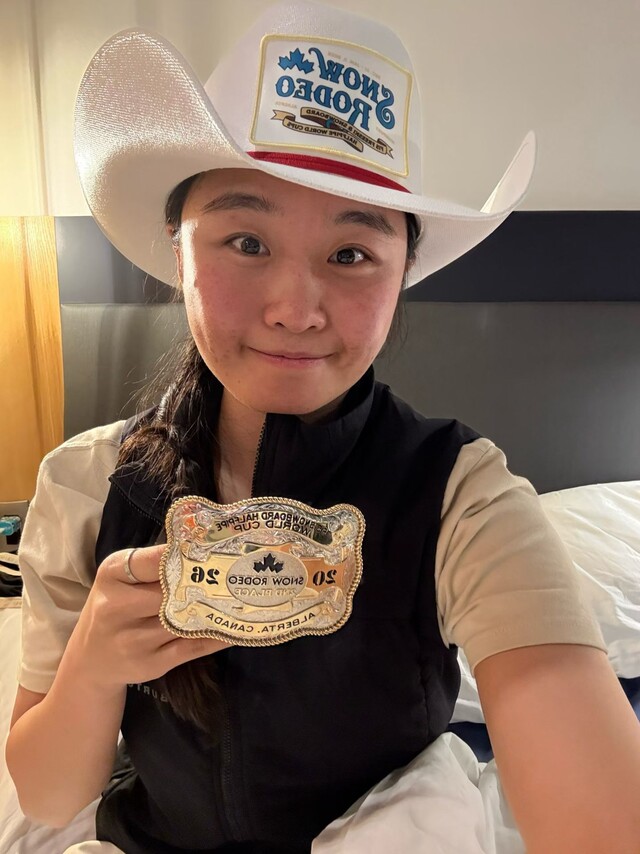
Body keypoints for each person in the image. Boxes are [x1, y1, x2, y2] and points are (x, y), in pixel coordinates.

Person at [7, 3, 640, 853]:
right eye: (245, 241)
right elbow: (47, 795)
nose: (294, 310)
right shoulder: (87, 484)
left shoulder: (461, 496)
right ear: (177, 246)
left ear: (401, 271)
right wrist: (91, 664)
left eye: (351, 254)